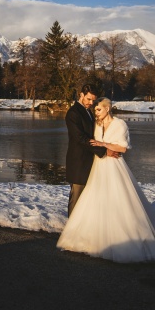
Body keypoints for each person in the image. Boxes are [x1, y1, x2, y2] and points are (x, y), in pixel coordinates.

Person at [57, 97, 155, 263]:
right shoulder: (97, 124)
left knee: (118, 200)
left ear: (107, 108)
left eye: (98, 109)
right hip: (97, 166)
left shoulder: (119, 124)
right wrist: (100, 147)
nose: (96, 112)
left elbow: (122, 148)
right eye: (95, 110)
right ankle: (93, 238)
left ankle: (122, 238)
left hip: (114, 166)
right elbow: (87, 142)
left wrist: (102, 144)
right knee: (96, 200)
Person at [64, 84, 115, 216]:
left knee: (86, 199)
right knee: (76, 198)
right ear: (81, 95)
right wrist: (104, 151)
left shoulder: (88, 112)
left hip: (89, 161)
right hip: (78, 162)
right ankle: (71, 231)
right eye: (88, 99)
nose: (91, 103)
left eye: (93, 100)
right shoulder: (73, 113)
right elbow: (80, 138)